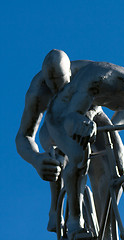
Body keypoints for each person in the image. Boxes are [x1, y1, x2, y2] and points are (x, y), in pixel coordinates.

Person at [44, 60, 124, 240]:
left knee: (119, 158)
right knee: (78, 155)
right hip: (64, 113)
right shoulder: (101, 79)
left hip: (93, 110)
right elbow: (73, 117)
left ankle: (106, 228)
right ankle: (75, 221)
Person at [15, 49, 95, 232]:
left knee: (116, 155)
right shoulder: (38, 91)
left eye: (62, 84)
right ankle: (56, 209)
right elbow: (24, 136)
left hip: (89, 116)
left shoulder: (87, 73)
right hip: (54, 124)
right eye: (53, 86)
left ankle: (109, 210)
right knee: (57, 158)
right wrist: (36, 159)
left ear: (70, 74)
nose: (58, 91)